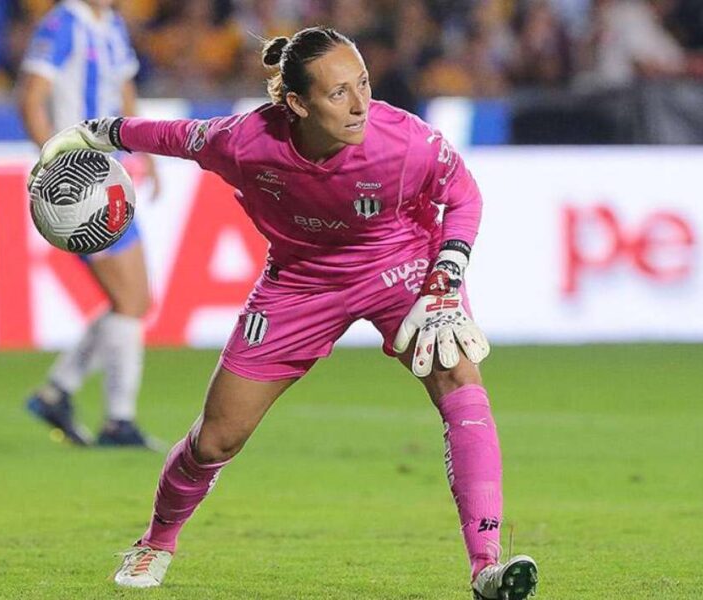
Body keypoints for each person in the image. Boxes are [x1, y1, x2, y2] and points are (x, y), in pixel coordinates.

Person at [30, 27, 538, 599]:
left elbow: (463, 195)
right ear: (297, 104)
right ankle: (155, 542)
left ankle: (485, 568)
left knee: (459, 375)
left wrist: (446, 276)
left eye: (364, 83)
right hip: (301, 283)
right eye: (339, 92)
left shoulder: (404, 140)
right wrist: (95, 134)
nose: (360, 103)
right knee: (217, 439)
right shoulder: (246, 143)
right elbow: (175, 135)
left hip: (402, 265)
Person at [18, 0, 160, 448]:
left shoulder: (112, 24)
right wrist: (59, 166)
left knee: (135, 300)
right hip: (80, 190)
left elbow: (125, 91)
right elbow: (31, 97)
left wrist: (146, 152)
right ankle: (117, 419)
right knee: (129, 299)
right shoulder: (64, 24)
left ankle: (57, 392)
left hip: (109, 181)